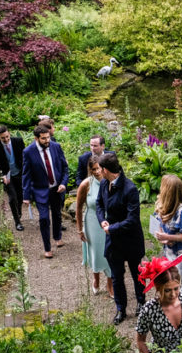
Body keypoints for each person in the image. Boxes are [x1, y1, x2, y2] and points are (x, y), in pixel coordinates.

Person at [97, 153, 146, 325]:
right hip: (113, 241)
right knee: (117, 276)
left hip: (130, 239)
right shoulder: (104, 183)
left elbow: (132, 219)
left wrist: (112, 228)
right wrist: (101, 219)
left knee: (137, 274)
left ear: (105, 170)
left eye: (100, 170)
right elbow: (99, 204)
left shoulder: (130, 189)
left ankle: (141, 302)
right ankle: (121, 309)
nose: (99, 173)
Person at [22, 124, 70, 258]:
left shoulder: (56, 146)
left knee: (57, 214)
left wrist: (63, 184)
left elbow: (65, 168)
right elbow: (26, 175)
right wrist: (26, 196)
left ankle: (57, 237)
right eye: (43, 139)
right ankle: (47, 248)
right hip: (40, 190)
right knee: (44, 219)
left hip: (57, 188)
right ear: (36, 138)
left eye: (48, 137)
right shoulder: (28, 152)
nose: (47, 140)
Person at [74, 154, 113, 297]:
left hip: (109, 222)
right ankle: (96, 279)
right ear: (90, 169)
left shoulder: (110, 181)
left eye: (99, 168)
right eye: (93, 169)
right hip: (91, 221)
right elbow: (78, 208)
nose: (97, 172)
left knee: (110, 253)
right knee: (96, 253)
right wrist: (79, 230)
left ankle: (110, 283)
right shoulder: (86, 184)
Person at [0, 125, 25, 231]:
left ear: (9, 134)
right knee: (12, 197)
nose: (5, 139)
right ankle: (17, 222)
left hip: (19, 172)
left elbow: (24, 157)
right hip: (7, 175)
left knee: (20, 196)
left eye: (7, 137)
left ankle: (18, 211)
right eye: (3, 138)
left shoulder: (18, 141)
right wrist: (2, 175)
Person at [152, 174, 182, 259]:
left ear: (166, 191)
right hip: (169, 253)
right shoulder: (160, 205)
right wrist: (162, 239)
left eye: (162, 186)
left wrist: (169, 237)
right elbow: (158, 228)